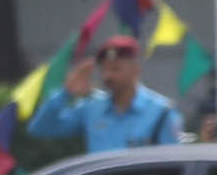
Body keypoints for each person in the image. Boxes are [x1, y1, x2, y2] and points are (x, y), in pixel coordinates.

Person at [35, 34, 183, 157]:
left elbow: (175, 163)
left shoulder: (161, 112)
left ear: (136, 70)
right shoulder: (92, 109)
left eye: (115, 69)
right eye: (104, 69)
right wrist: (66, 93)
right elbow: (41, 128)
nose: (108, 76)